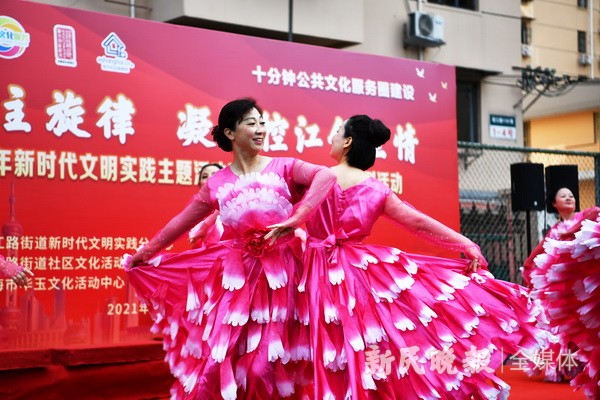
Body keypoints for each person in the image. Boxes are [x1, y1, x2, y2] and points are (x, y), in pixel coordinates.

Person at [284, 114, 547, 399]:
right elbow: (418, 222)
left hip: (313, 271)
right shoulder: (376, 189)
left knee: (321, 344)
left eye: (337, 131)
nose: (332, 137)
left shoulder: (316, 179)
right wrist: (465, 243)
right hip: (357, 274)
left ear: (347, 142)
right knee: (362, 342)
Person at [124, 97, 336, 399]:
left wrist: (297, 218)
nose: (260, 129)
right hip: (237, 282)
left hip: (283, 278)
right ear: (229, 132)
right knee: (223, 362)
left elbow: (326, 175)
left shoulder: (285, 166)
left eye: (262, 123)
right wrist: (144, 253)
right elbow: (180, 223)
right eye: (251, 123)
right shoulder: (217, 183)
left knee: (268, 365)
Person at [524, 186, 600, 397]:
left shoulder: (586, 218)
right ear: (554, 204)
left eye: (571, 196)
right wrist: (533, 277)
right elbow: (534, 258)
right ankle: (570, 366)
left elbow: (596, 211)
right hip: (566, 287)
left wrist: (571, 232)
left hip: (586, 284)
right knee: (564, 327)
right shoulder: (554, 231)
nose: (568, 198)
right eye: (563, 196)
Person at [188, 163, 224, 249]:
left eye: (214, 175)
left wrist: (204, 226)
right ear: (199, 183)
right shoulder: (195, 208)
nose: (209, 178)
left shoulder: (232, 201)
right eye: (204, 176)